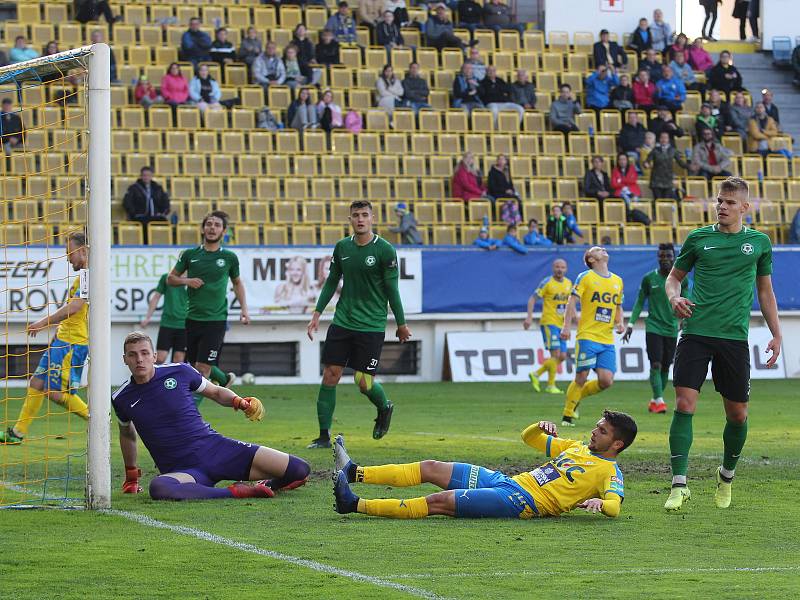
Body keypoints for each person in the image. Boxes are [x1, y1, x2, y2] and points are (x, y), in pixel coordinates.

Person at [663, 176, 781, 511]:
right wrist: (674, 299)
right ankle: (679, 484)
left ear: (744, 207)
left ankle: (726, 476)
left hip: (733, 338)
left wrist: (776, 333)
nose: (722, 207)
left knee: (738, 415)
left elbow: (765, 291)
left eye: (729, 202)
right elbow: (674, 279)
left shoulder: (758, 243)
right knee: (685, 404)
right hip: (696, 332)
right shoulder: (699, 239)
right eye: (719, 201)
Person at [113, 332, 311, 500]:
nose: (139, 359)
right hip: (184, 471)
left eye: (144, 353)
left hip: (217, 450)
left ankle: (267, 485)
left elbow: (216, 392)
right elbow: (127, 435)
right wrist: (131, 477)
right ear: (124, 359)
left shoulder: (180, 371)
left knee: (300, 469)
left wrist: (239, 402)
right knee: (159, 487)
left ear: (154, 356)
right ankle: (236, 492)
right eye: (133, 355)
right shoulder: (121, 398)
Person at [332, 413, 636, 519]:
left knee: (439, 502)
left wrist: (600, 501)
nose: (594, 432)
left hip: (522, 502)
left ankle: (354, 504)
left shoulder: (610, 473)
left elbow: (614, 507)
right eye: (597, 427)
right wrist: (538, 426)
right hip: (508, 481)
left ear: (617, 444)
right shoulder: (576, 447)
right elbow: (528, 438)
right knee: (432, 466)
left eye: (602, 431)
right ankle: (355, 473)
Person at [305, 201, 411, 448]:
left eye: (365, 215)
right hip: (343, 321)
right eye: (356, 215)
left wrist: (401, 323)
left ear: (372, 218)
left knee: (363, 382)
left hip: (371, 325)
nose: (360, 219)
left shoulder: (385, 250)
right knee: (330, 375)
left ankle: (384, 407)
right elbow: (332, 281)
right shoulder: (343, 247)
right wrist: (317, 313)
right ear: (350, 219)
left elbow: (392, 290)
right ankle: (323, 436)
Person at [0, 232, 90, 444]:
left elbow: (75, 307)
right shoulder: (83, 276)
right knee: (37, 382)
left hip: (72, 343)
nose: (68, 258)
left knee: (53, 391)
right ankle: (17, 433)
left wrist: (43, 322)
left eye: (70, 253)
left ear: (83, 251)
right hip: (62, 339)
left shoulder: (88, 276)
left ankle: (97, 420)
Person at [167, 211, 250, 385]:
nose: (212, 228)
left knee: (203, 368)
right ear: (203, 229)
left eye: (217, 225)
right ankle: (224, 378)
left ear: (224, 231)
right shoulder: (190, 255)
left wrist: (244, 310)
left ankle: (189, 411)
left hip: (216, 320)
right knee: (194, 367)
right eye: (209, 224)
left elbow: (237, 283)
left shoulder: (229, 257)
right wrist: (187, 280)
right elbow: (171, 279)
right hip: (192, 318)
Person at [560, 246, 625, 426]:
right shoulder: (585, 277)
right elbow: (571, 301)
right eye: (597, 249)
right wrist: (566, 327)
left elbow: (618, 306)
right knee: (581, 376)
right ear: (591, 259)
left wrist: (620, 323)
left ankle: (575, 398)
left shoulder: (618, 281)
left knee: (606, 381)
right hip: (587, 335)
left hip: (606, 339)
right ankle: (568, 414)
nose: (603, 249)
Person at [623, 244, 688, 414]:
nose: (664, 259)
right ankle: (660, 400)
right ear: (658, 257)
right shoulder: (649, 278)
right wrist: (630, 324)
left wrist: (685, 320)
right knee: (656, 363)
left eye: (668, 255)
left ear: (674, 257)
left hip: (672, 328)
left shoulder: (682, 279)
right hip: (653, 327)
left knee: (666, 366)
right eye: (661, 256)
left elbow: (688, 300)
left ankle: (655, 399)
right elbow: (639, 302)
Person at [524, 259, 571, 394]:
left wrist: (571, 322)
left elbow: (570, 304)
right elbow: (532, 299)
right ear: (553, 268)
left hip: (561, 325)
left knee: (562, 356)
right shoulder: (547, 282)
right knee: (555, 354)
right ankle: (551, 385)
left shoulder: (569, 284)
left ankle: (536, 374)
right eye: (557, 267)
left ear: (566, 269)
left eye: (562, 267)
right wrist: (529, 317)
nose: (559, 269)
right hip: (549, 322)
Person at [140, 272, 189, 365]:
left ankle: (175, 379)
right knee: (160, 358)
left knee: (178, 360)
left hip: (185, 325)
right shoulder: (167, 278)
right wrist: (147, 317)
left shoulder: (193, 279)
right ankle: (156, 379)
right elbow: (156, 297)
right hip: (167, 323)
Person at [123, 166, 171, 232]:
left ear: (151, 176)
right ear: (141, 176)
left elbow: (165, 202)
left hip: (155, 216)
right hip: (140, 216)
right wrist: (134, 213)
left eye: (148, 175)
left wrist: (162, 213)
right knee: (144, 225)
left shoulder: (158, 188)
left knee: (164, 223)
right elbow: (127, 202)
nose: (146, 177)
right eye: (144, 175)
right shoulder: (133, 188)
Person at [644, 131, 687, 200]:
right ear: (659, 139)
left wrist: (690, 166)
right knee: (658, 201)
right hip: (656, 181)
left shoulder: (673, 150)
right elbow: (647, 160)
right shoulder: (655, 150)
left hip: (668, 180)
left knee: (667, 201)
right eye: (662, 138)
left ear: (668, 139)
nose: (663, 140)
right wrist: (646, 164)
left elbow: (681, 163)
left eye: (665, 138)